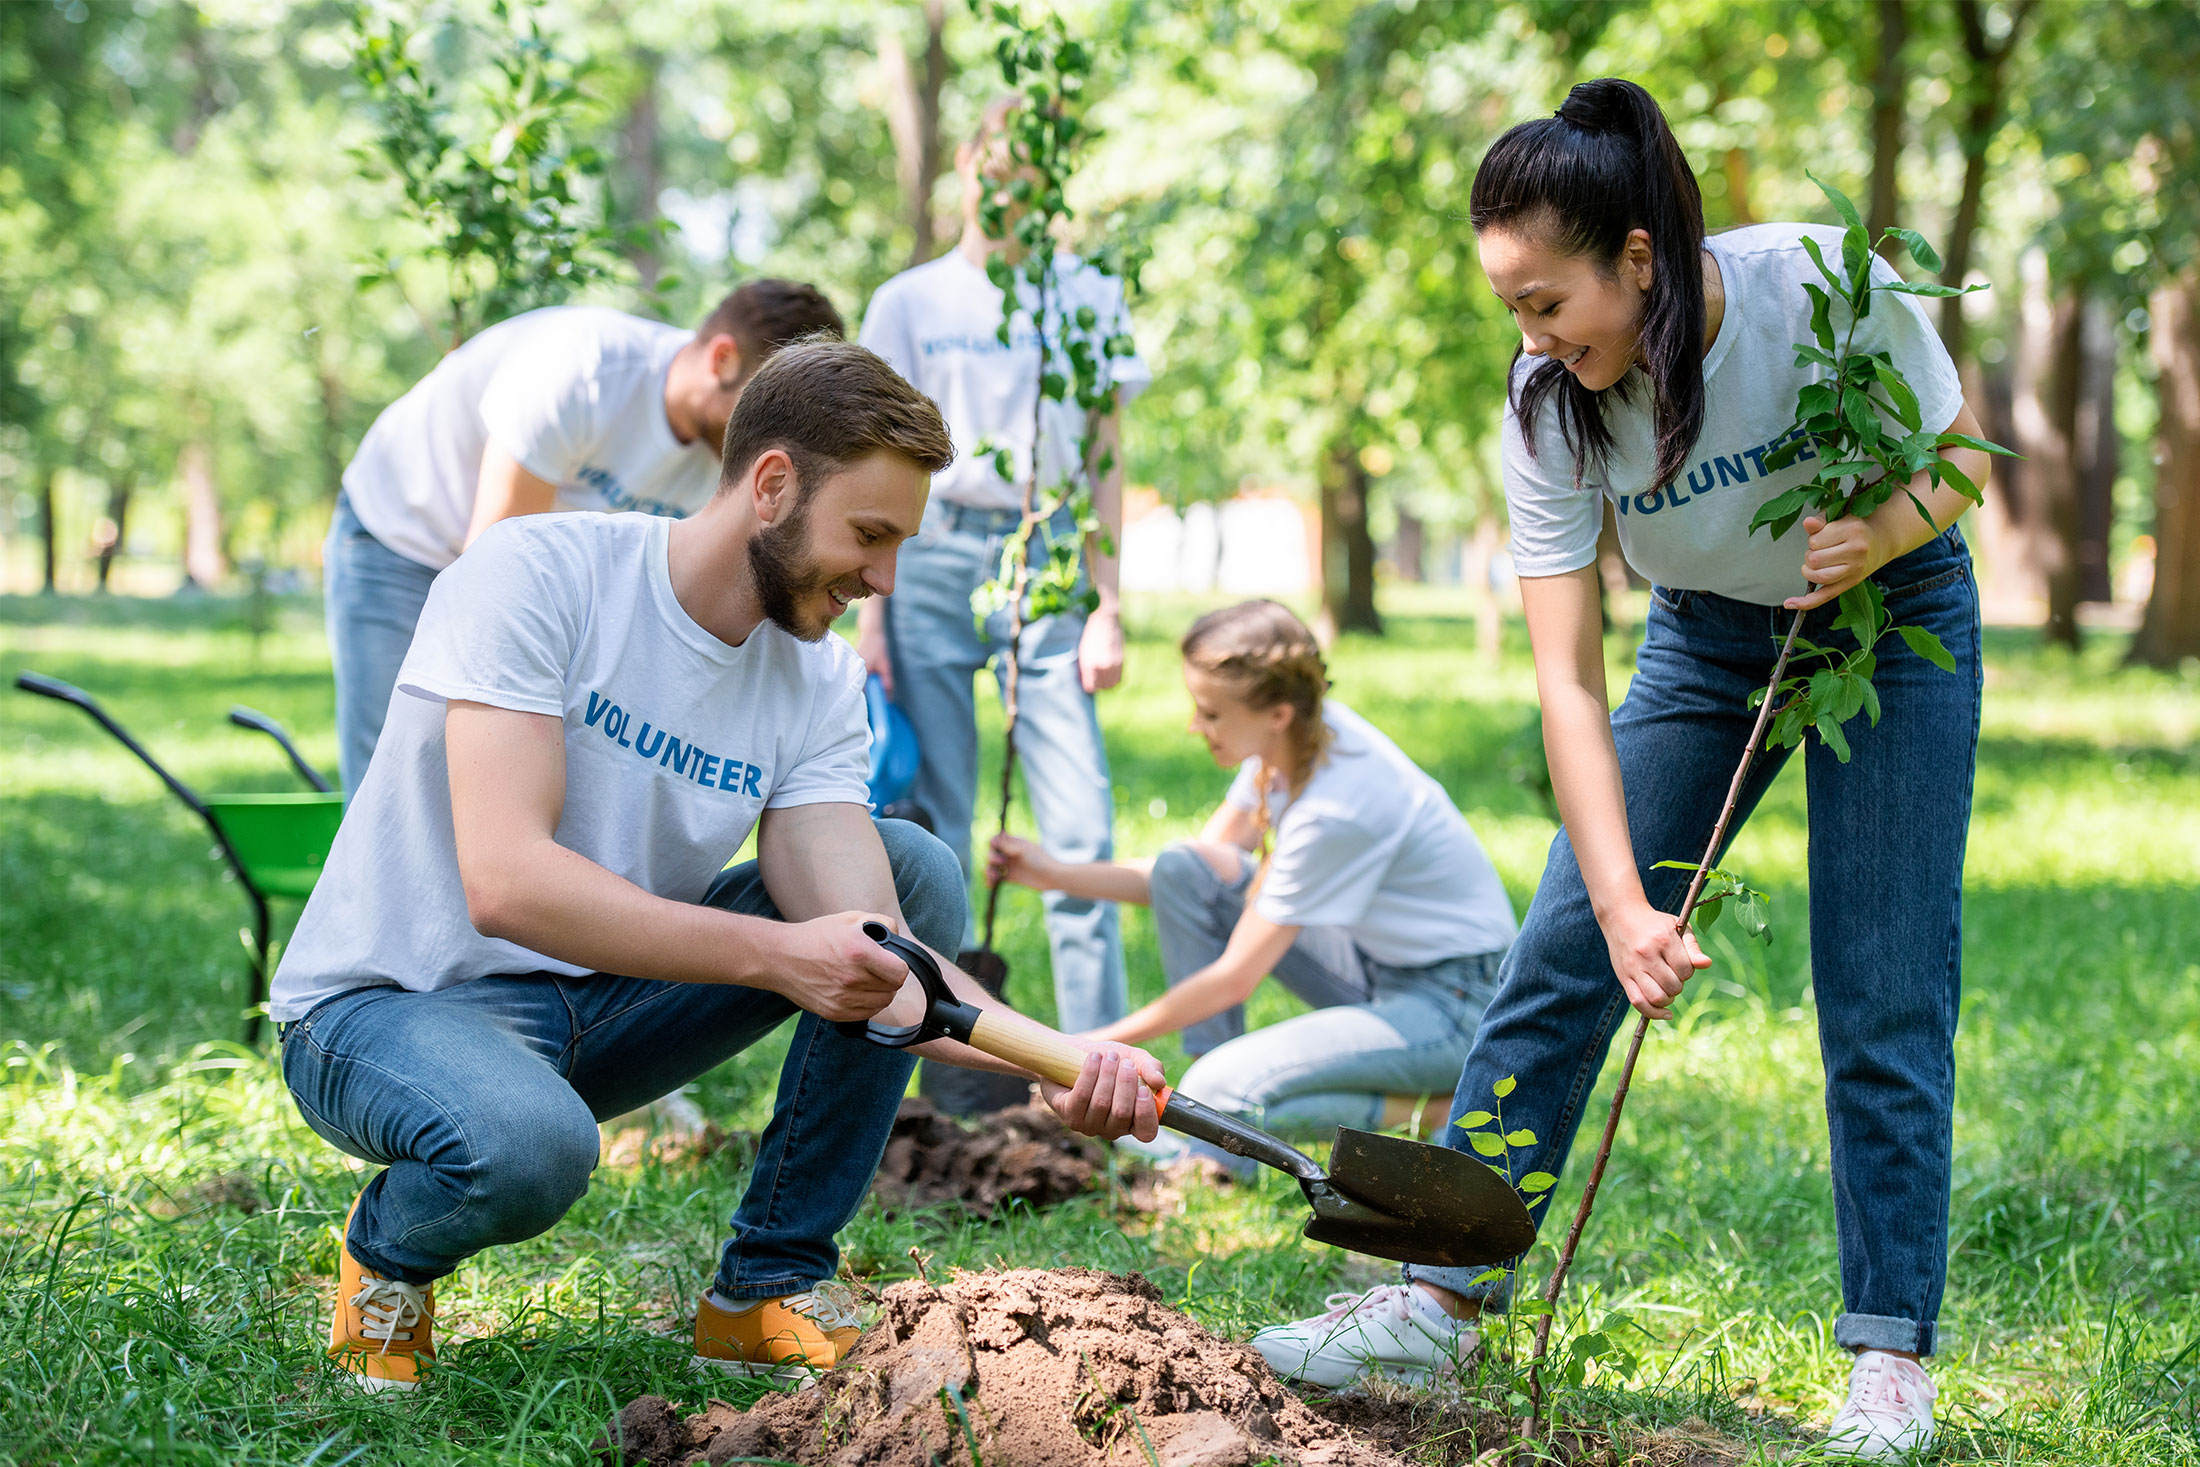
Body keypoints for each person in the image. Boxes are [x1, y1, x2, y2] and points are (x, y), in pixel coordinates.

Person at [1250, 80, 1992, 1460]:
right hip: (1706, 641)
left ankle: (1890, 1358)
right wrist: (1620, 903)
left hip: (1891, 625)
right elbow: (1568, 682)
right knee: (1553, 956)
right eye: (1513, 309)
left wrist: (1882, 533)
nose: (1532, 338)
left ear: (1637, 258)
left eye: (1546, 302)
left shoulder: (1819, 290)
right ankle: (1431, 1294)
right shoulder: (1552, 408)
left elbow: (1961, 458)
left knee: (1884, 978)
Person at [270, 341, 1165, 1393]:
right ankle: (386, 1260)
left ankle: (766, 1289)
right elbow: (505, 881)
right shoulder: (538, 573)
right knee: (528, 1148)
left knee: (910, 864)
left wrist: (1057, 1063)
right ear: (773, 484)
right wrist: (779, 957)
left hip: (599, 1011)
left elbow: (884, 951)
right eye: (869, 536)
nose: (881, 580)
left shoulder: (818, 680)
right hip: (386, 1012)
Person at [988, 599, 1516, 1164]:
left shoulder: (1338, 806)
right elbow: (1194, 870)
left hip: (1456, 1005)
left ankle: (1426, 1109)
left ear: (1277, 712)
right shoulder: (1292, 741)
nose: (1196, 725)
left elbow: (1232, 979)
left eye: (1210, 714)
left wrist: (1081, 1051)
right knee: (1185, 868)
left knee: (1224, 1093)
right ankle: (1202, 1118)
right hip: (1375, 967)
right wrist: (1053, 875)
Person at [854, 99, 1151, 1033]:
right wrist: (870, 611)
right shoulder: (911, 301)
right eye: (995, 161)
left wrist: (1108, 602)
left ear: (1055, 181)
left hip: (1049, 549)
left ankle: (1093, 1059)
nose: (1009, 184)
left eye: (1034, 168)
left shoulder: (1090, 293)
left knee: (1077, 822)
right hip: (930, 552)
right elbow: (870, 450)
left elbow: (1106, 455)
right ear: (969, 164)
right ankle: (924, 1039)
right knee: (932, 816)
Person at [325, 280, 846, 795]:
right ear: (723, 359)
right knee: (400, 766)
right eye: (767, 409)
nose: (775, 440)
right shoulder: (585, 369)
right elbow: (490, 567)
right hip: (404, 532)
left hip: (521, 567)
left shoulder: (736, 460)